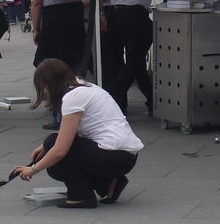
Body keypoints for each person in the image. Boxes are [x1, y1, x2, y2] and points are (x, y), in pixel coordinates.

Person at [14, 59, 143, 208]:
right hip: (125, 155)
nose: (44, 92)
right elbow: (74, 135)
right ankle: (108, 183)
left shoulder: (72, 97)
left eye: (43, 87)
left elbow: (60, 150)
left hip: (113, 155)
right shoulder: (84, 87)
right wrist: (43, 148)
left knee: (53, 147)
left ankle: (81, 196)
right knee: (52, 160)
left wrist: (33, 169)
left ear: (50, 82)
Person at [82, 0, 173, 116]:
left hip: (117, 15)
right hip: (137, 16)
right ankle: (111, 96)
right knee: (134, 60)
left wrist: (101, 13)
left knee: (135, 60)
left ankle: (152, 102)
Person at [28, 0, 89, 130]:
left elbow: (36, 3)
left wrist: (36, 28)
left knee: (53, 67)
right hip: (74, 15)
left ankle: (59, 115)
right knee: (75, 62)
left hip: (53, 19)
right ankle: (82, 107)